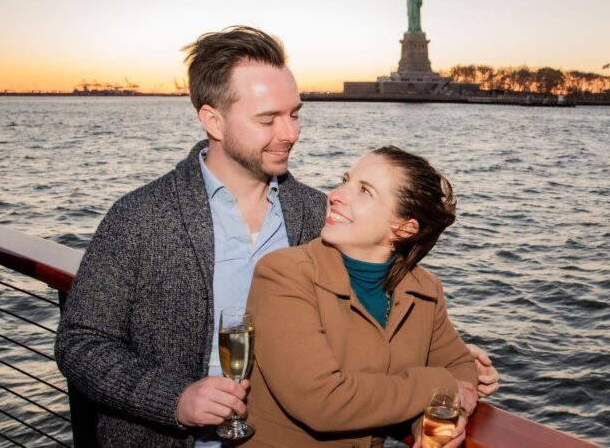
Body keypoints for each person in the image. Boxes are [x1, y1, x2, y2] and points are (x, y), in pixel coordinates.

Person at [55, 26, 498, 447]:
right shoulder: (140, 218)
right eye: (268, 119)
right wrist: (174, 398)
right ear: (213, 120)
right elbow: (80, 343)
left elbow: (370, 319)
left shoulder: (315, 214)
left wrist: (438, 360)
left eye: (295, 114)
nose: (290, 134)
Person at [243, 147, 475, 448]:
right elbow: (321, 401)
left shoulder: (424, 289)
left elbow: (460, 367)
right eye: (345, 180)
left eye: (364, 191)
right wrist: (436, 384)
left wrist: (431, 417)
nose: (335, 195)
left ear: (404, 229)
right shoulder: (283, 274)